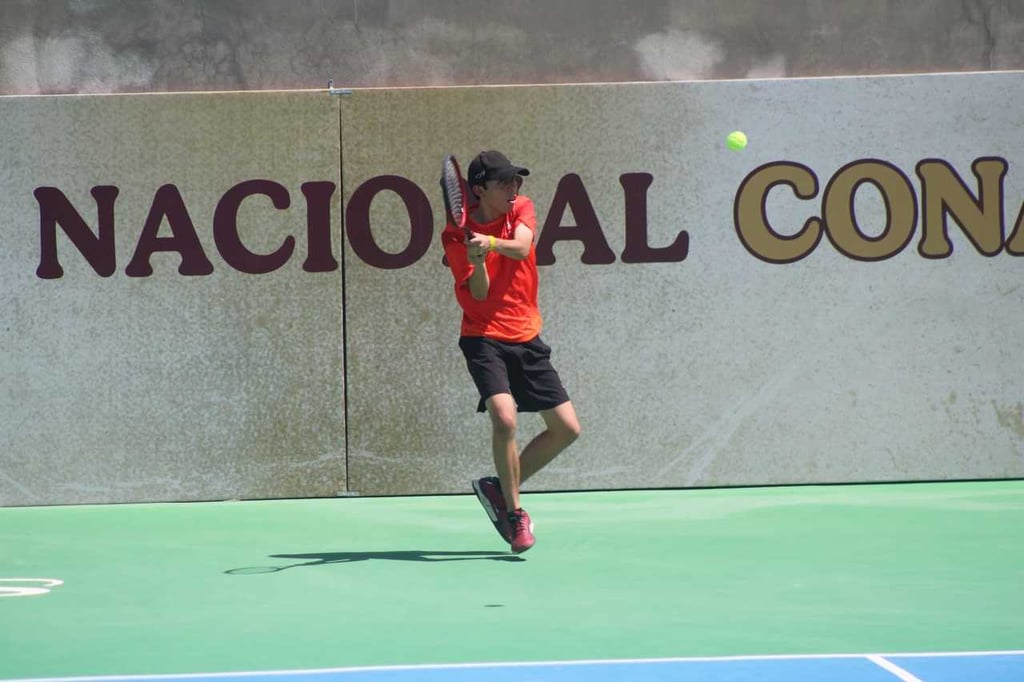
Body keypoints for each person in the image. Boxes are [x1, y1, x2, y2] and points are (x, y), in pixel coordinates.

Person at [441, 150, 581, 554]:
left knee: (566, 429)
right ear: (479, 190)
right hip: (483, 336)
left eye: (516, 181)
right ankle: (515, 514)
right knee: (504, 418)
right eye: (504, 183)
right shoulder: (455, 235)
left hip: (526, 334)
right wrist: (477, 259)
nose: (513, 188)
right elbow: (479, 294)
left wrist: (490, 242)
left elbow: (521, 248)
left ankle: (498, 488)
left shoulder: (521, 208)